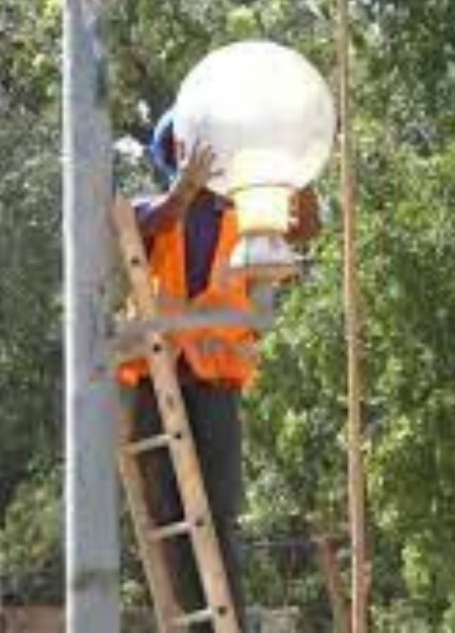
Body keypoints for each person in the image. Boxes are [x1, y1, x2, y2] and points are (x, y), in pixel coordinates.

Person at [118, 108, 320, 630]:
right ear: (176, 154)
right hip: (156, 377)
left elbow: (304, 229)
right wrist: (182, 193)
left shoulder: (245, 217)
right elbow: (142, 225)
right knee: (168, 514)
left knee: (218, 511)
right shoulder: (150, 208)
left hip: (215, 381)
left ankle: (224, 625)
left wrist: (298, 167)